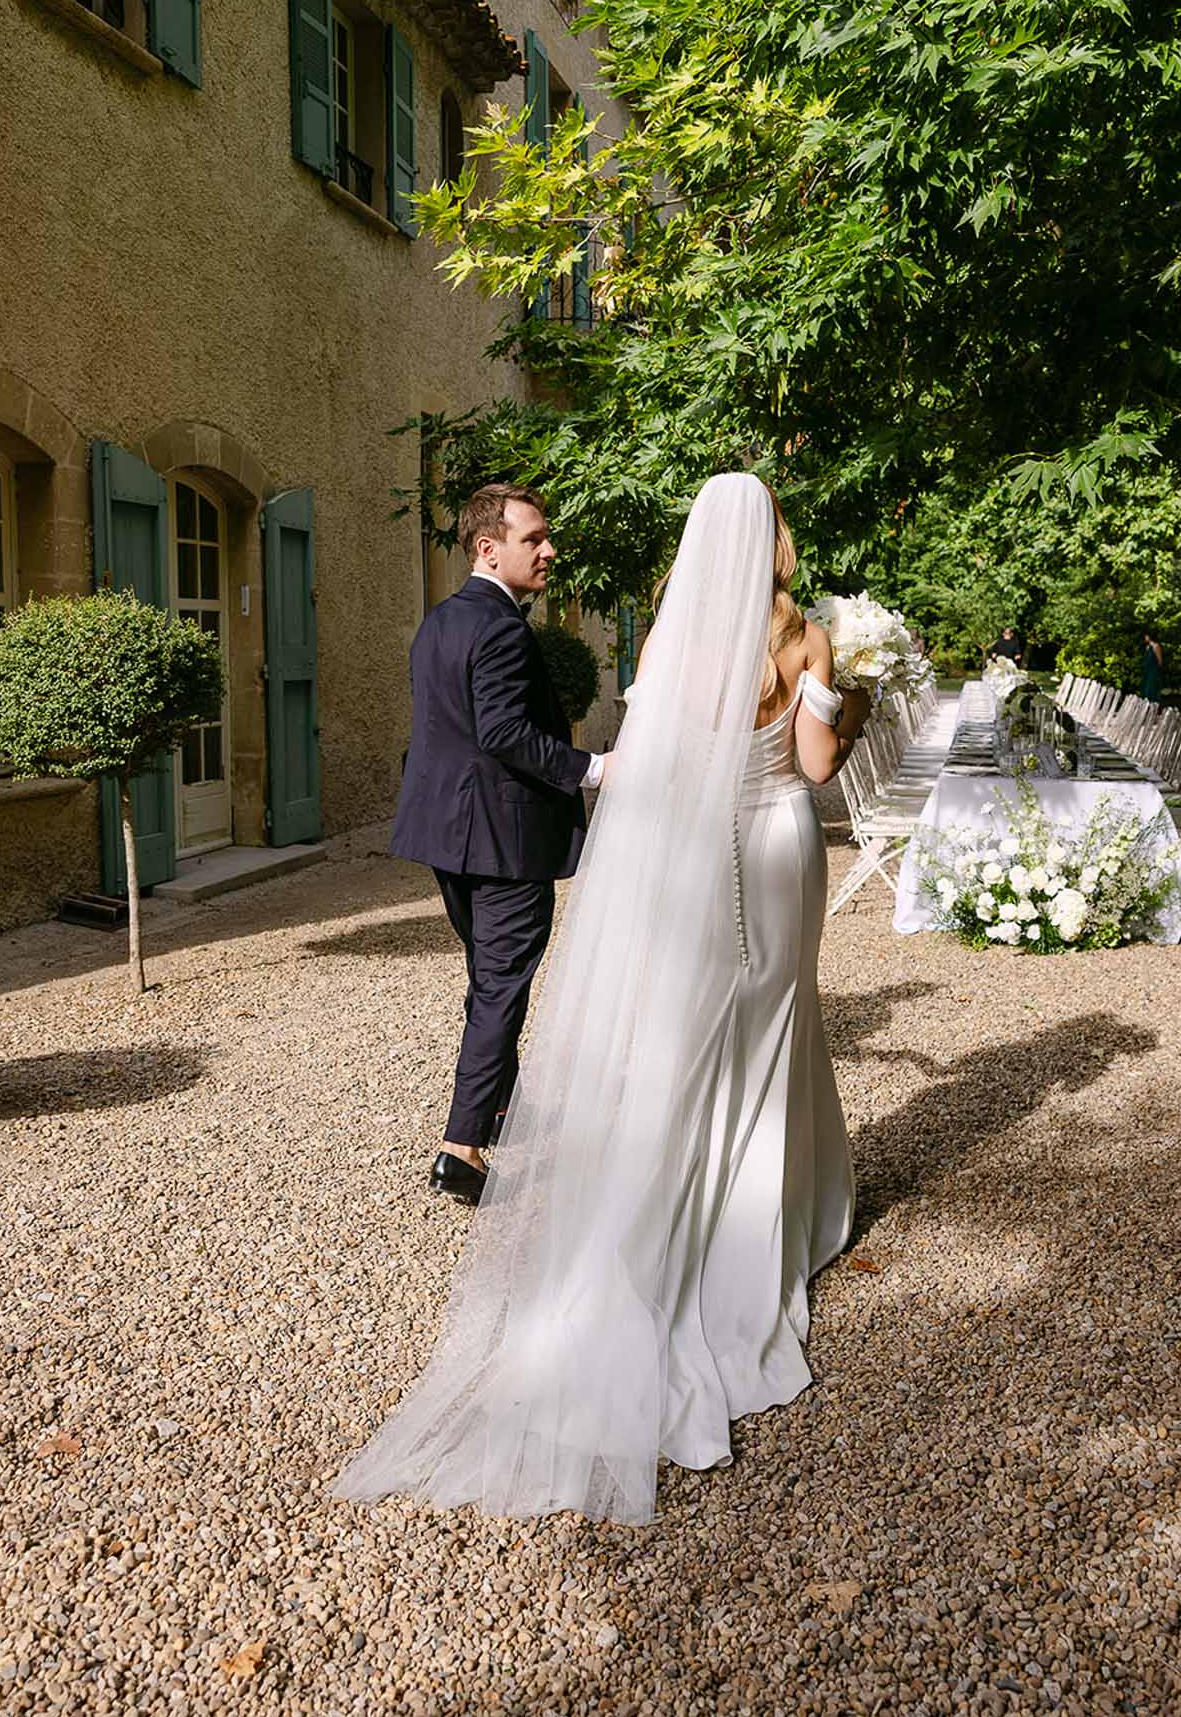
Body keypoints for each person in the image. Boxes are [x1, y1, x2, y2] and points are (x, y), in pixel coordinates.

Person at [333, 473, 869, 1524]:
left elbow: (664, 768)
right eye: (534, 537)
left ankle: (669, 1199)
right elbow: (812, 771)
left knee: (707, 1029)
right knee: (772, 1020)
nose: (547, 552)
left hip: (699, 857)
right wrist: (848, 704)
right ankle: (776, 1212)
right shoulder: (806, 637)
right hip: (776, 849)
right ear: (772, 541)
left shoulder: (669, 641)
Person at [390, 483, 604, 1206]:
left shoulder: (441, 621)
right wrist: (595, 769)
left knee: (489, 977)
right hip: (503, 838)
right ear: (489, 547)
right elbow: (503, 734)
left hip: (447, 833)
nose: (549, 551)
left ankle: (504, 1106)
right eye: (534, 539)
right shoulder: (505, 629)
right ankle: (461, 1146)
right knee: (501, 986)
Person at [1141, 629, 1164, 703]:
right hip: (1146, 670)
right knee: (1145, 688)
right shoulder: (1147, 647)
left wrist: (1158, 671)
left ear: (1150, 636)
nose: (1145, 637)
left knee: (1151, 688)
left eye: (1146, 636)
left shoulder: (1156, 646)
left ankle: (1153, 705)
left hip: (1153, 670)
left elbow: (1160, 660)